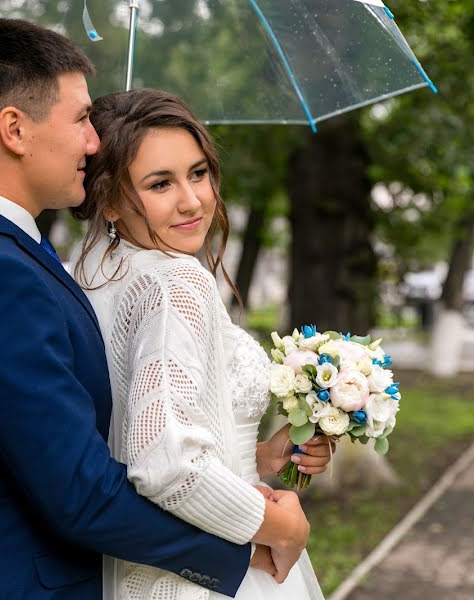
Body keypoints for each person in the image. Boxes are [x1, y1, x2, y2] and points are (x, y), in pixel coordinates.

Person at [0, 19, 326, 600]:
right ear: (14, 130)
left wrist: (247, 458)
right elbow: (81, 493)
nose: (93, 143)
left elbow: (90, 432)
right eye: (79, 119)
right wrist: (255, 534)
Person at [72, 89, 330, 599]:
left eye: (198, 173)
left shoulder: (93, 274)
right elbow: (167, 466)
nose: (192, 200)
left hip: (139, 562)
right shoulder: (176, 282)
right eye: (159, 183)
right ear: (110, 200)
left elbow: (135, 435)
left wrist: (257, 456)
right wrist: (282, 527)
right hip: (212, 570)